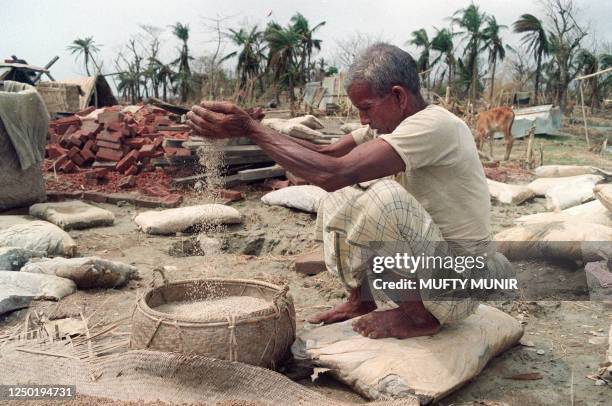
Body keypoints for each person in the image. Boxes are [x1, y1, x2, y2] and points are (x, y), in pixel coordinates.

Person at [187, 43, 508, 339]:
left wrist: (251, 130)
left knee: (384, 198)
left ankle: (419, 318)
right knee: (340, 196)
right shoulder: (392, 125)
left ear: (399, 97)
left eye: (366, 108)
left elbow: (333, 172)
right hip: (432, 269)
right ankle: (362, 299)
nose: (362, 119)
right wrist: (255, 132)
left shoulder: (436, 126)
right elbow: (329, 155)